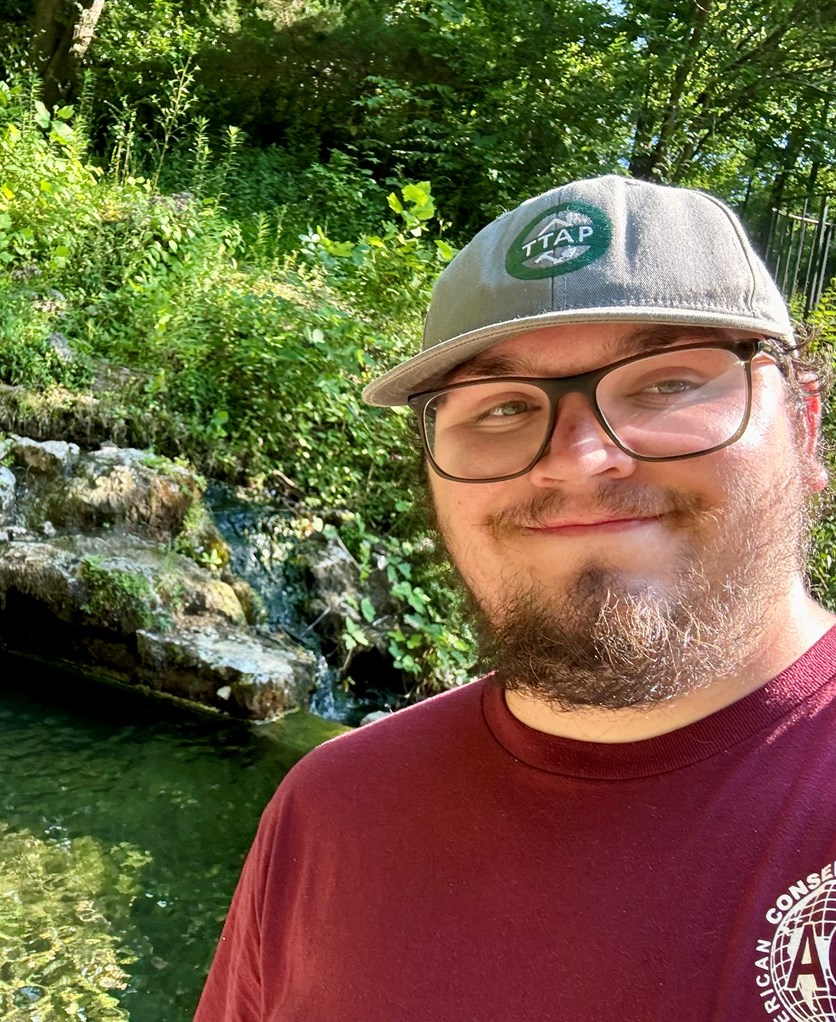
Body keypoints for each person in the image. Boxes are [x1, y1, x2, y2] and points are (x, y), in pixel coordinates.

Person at [194, 175, 836, 1022]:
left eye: (667, 383)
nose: (577, 457)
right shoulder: (328, 813)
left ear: (802, 425)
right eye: (499, 407)